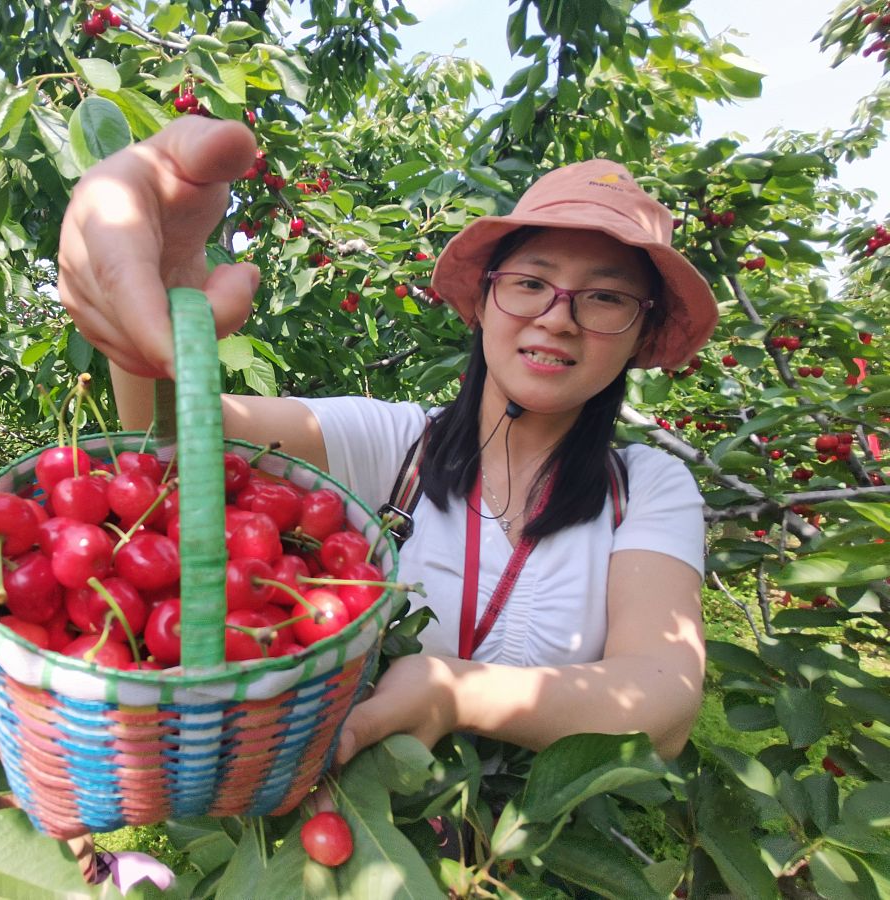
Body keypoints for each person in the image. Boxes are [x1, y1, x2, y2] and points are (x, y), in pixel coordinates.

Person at [57, 116, 715, 766]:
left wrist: (455, 693)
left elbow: (663, 705)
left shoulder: (646, 488)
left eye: (605, 298)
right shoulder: (397, 445)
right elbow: (176, 438)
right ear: (484, 302)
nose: (557, 318)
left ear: (640, 335)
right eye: (530, 283)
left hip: (536, 863)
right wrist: (162, 295)